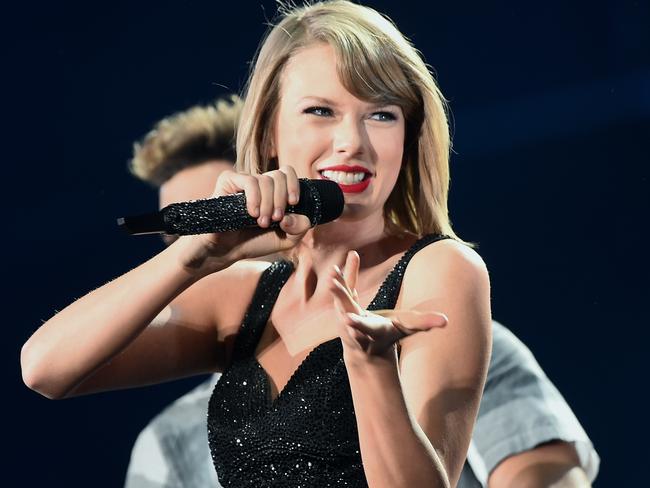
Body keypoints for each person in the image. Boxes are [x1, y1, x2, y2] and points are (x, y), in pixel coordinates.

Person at [18, 1, 585, 486]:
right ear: (269, 133)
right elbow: (45, 369)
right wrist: (192, 256)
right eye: (321, 111)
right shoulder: (244, 296)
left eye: (381, 115)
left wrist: (370, 366)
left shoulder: (440, 270)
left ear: (408, 140)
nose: (352, 142)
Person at [124, 100, 598, 487]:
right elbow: (48, 369)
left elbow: (548, 476)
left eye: (231, 211)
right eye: (185, 234)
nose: (216, 237)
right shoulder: (167, 444)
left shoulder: (440, 333)